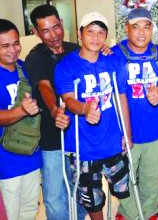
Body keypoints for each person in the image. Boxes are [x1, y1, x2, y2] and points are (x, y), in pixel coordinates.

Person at [54, 12, 132, 220]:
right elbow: (68, 100)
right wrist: (85, 109)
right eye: (90, 32)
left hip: (112, 141)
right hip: (83, 147)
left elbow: (121, 97)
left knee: (123, 188)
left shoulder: (114, 61)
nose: (95, 38)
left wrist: (127, 133)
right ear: (80, 35)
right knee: (91, 196)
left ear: (105, 37)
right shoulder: (66, 66)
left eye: (100, 33)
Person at [24, 4, 86, 219]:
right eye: (45, 30)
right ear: (36, 32)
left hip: (80, 134)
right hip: (52, 137)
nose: (53, 35)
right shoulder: (35, 58)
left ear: (62, 23)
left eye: (56, 27)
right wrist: (54, 111)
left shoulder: (76, 50)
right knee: (54, 194)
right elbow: (44, 86)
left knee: (81, 190)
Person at [112, 8, 158, 220]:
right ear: (126, 29)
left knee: (151, 179)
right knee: (124, 178)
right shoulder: (115, 54)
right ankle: (128, 214)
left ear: (152, 29)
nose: (141, 33)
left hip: (156, 130)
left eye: (146, 27)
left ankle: (147, 214)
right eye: (135, 27)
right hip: (124, 132)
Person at [0, 19, 42, 219]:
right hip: (5, 163)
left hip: (31, 156)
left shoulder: (26, 68)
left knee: (29, 211)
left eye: (16, 43)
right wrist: (22, 111)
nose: (13, 50)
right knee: (10, 214)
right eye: (5, 46)